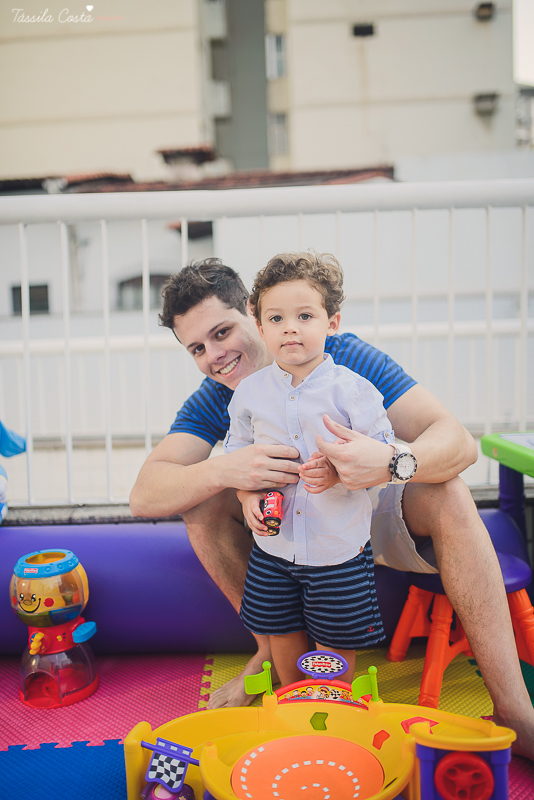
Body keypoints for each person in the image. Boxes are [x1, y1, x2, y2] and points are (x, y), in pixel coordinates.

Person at [130, 256, 534, 760]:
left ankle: (517, 712)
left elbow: (457, 443)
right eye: (197, 348)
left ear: (253, 313)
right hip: (285, 541)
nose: (216, 355)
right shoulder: (224, 396)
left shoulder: (343, 363)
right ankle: (269, 652)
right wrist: (230, 472)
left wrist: (388, 462)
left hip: (365, 513)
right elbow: (146, 493)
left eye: (222, 331)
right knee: (201, 502)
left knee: (447, 489)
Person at [224, 254, 394, 686]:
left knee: (336, 642)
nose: (290, 328)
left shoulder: (354, 392)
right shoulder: (249, 393)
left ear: (332, 322)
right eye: (276, 318)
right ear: (260, 329)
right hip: (274, 549)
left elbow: (383, 454)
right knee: (279, 631)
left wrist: (340, 473)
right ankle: (294, 707)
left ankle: (332, 710)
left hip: (335, 547)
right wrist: (246, 499)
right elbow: (237, 453)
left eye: (305, 316)